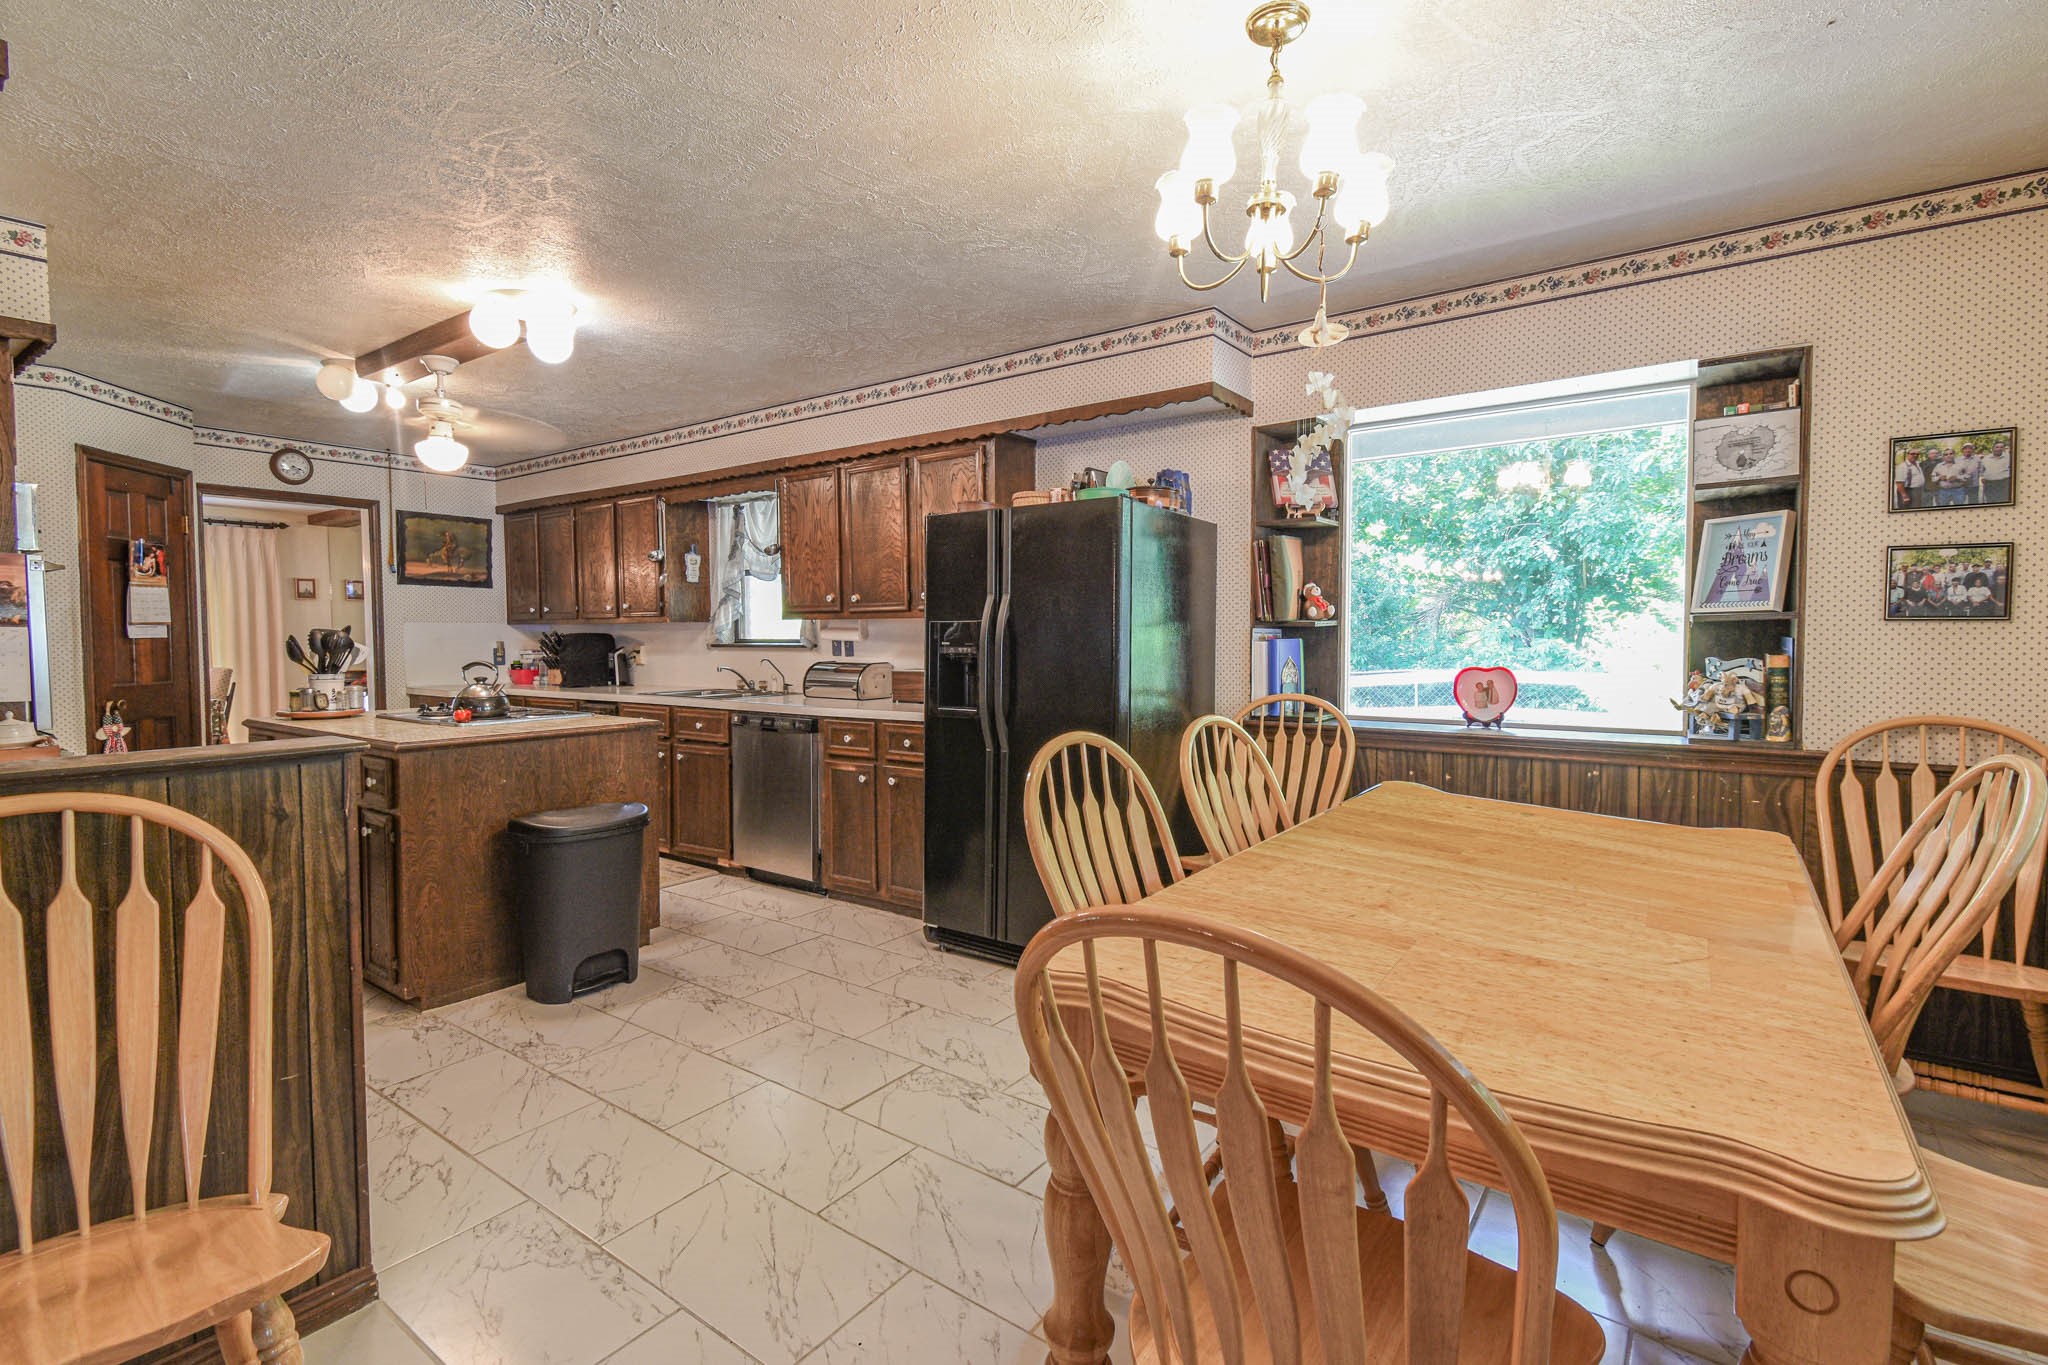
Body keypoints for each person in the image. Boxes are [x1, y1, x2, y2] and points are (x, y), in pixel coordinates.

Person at [1980, 439, 2012, 504]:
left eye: (2001, 447)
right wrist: (1982, 477)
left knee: (2003, 502)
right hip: (1989, 484)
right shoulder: (1986, 459)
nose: (1999, 449)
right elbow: (1981, 470)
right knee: (1990, 502)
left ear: (2003, 449)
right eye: (1997, 447)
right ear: (1993, 448)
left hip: (2003, 483)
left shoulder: (2009, 458)